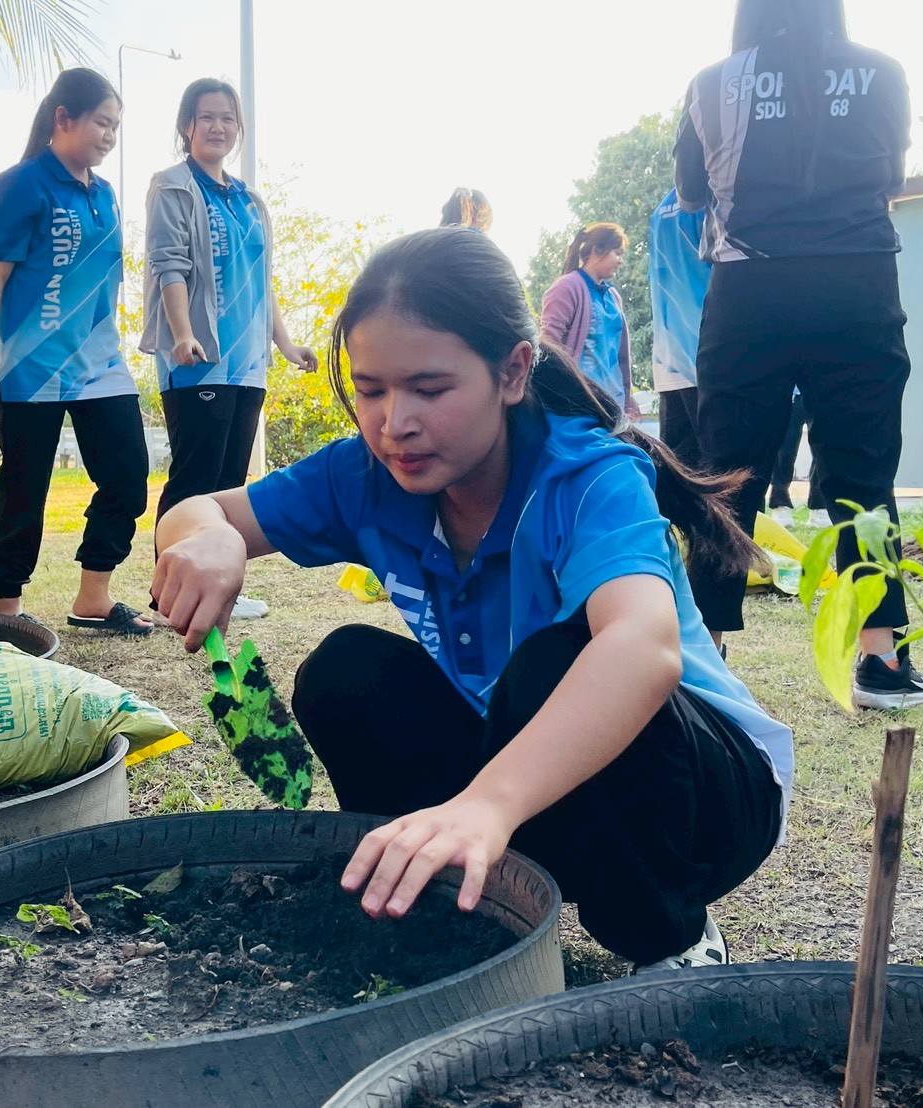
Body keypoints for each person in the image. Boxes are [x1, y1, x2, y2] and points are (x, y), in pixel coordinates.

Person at [152, 228, 792, 972]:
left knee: (556, 663)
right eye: (370, 390)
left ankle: (671, 940)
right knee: (346, 670)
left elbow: (641, 651)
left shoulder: (587, 477)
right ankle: (434, 906)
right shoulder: (366, 476)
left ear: (512, 372)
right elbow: (197, 512)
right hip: (528, 781)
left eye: (429, 389)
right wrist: (212, 538)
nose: (395, 422)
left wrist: (488, 804)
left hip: (703, 802)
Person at [674, 0, 923, 708]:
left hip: (749, 291)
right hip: (857, 286)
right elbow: (890, 177)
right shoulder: (882, 72)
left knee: (726, 474)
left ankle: (704, 652)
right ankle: (881, 659)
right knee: (863, 474)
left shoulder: (713, 82)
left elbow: (691, 192)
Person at [0, 68, 153, 634]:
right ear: (64, 118)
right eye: (101, 122)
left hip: (99, 363)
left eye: (116, 126)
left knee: (128, 476)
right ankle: (7, 610)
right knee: (23, 489)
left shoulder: (104, 194)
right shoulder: (19, 185)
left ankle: (94, 597)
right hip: (29, 366)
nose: (110, 136)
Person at [141, 78, 318, 621]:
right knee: (195, 480)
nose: (218, 127)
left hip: (247, 363)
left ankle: (216, 587)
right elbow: (168, 265)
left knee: (227, 487)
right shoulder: (172, 185)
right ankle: (167, 592)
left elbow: (262, 279)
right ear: (186, 126)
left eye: (227, 118)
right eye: (206, 117)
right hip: (198, 359)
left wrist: (285, 344)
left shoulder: (248, 199)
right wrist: (182, 333)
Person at [540, 223, 641, 419]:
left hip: (614, 403)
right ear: (597, 250)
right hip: (580, 404)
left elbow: (616, 354)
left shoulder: (613, 295)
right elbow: (548, 345)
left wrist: (628, 396)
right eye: (617, 253)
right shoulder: (567, 287)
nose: (621, 261)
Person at [648, 188, 708, 472]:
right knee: (716, 466)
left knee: (677, 464)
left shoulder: (660, 211)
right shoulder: (713, 201)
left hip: (669, 358)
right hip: (707, 356)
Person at [766, 391, 830, 528]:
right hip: (791, 393)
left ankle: (820, 507)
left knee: (822, 449)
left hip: (817, 391)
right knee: (784, 450)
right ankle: (780, 505)